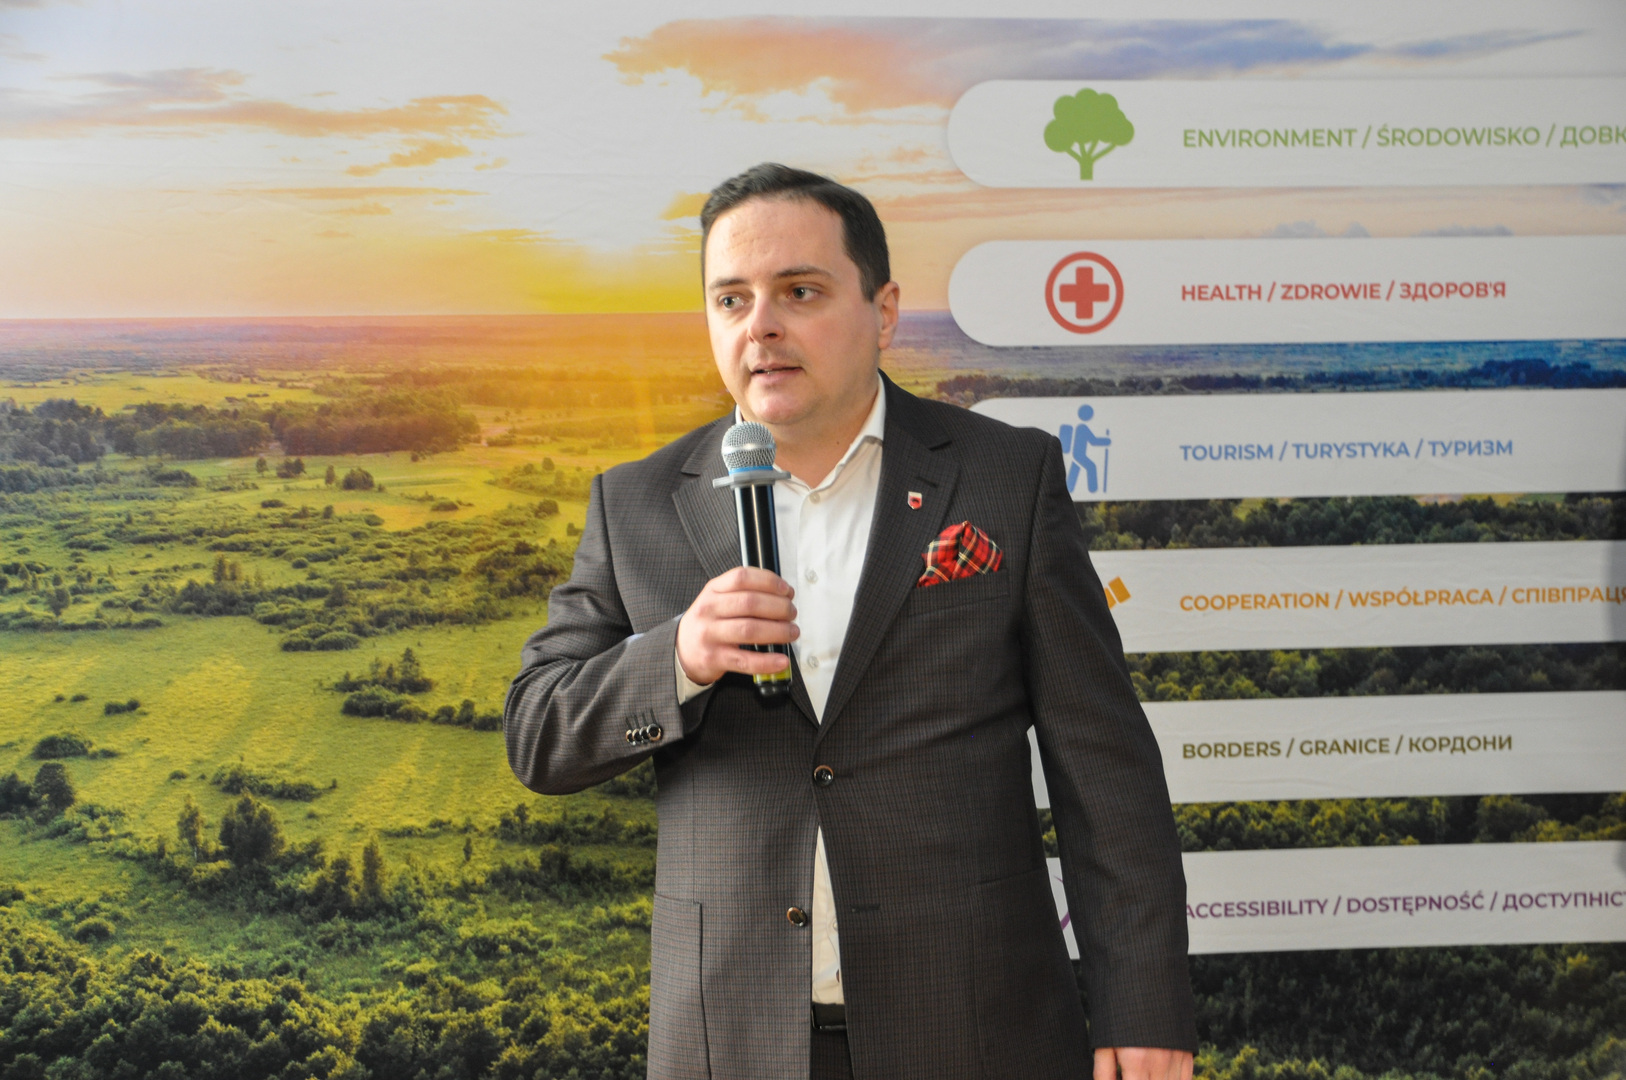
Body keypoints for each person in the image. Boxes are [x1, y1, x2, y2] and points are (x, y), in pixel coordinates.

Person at [504, 163, 1196, 1080]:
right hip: (734, 1040)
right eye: (731, 299)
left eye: (800, 291)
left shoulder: (1006, 478)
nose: (761, 326)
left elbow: (1105, 768)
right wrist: (677, 657)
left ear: (884, 310)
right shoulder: (634, 503)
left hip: (976, 1029)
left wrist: (1145, 1008)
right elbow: (538, 733)